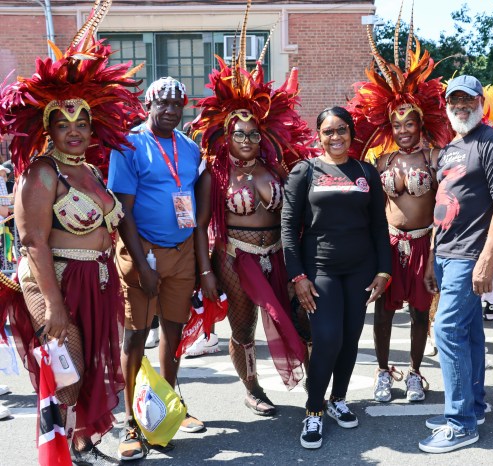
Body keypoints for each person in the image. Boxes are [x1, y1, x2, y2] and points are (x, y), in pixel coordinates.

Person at [0, 9, 142, 462]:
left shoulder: (91, 172)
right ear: (48, 129)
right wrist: (54, 304)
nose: (76, 131)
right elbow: (32, 242)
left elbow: (111, 227)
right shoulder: (42, 174)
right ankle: (58, 449)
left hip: (96, 282)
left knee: (91, 370)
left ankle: (81, 445)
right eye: (64, 124)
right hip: (53, 279)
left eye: (82, 123)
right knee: (69, 372)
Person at [189, 43, 312, 415]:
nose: (246, 140)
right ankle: (252, 387)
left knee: (299, 318)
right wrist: (206, 271)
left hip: (276, 253)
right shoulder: (215, 174)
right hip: (234, 257)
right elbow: (199, 225)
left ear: (263, 136)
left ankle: (318, 383)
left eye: (253, 134)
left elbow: (299, 212)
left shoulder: (275, 169)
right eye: (239, 134)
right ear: (226, 135)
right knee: (243, 330)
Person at [346, 19, 453, 404]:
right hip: (389, 244)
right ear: (389, 125)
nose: (404, 129)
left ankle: (414, 372)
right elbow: (369, 205)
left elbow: (446, 206)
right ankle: (381, 372)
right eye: (397, 123)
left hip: (425, 243)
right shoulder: (381, 160)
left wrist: (435, 254)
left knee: (421, 314)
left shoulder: (435, 158)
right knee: (384, 313)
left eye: (410, 123)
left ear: (421, 122)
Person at [282, 107, 391, 449]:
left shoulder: (365, 172)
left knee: (349, 337)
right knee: (327, 338)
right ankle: (313, 410)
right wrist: (297, 275)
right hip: (319, 270)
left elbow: (378, 225)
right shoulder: (305, 171)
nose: (336, 137)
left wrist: (384, 269)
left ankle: (338, 399)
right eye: (328, 131)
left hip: (360, 269)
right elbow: (287, 227)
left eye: (341, 130)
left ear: (351, 133)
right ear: (319, 136)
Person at [108, 77, 204, 461]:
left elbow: (194, 200)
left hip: (181, 252)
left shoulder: (190, 147)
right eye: (161, 103)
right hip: (141, 252)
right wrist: (141, 265)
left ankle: (166, 405)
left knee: (174, 334)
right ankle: (131, 420)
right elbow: (122, 211)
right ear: (148, 106)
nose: (169, 110)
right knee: (135, 336)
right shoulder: (129, 144)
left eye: (176, 104)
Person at [420, 75, 493, 453]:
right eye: (454, 100)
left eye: (468, 100)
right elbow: (440, 204)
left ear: (480, 102)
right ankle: (473, 406)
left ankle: (459, 424)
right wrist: (431, 257)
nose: (461, 106)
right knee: (469, 331)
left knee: (445, 331)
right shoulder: (450, 148)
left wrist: (486, 258)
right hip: (445, 253)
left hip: (469, 255)